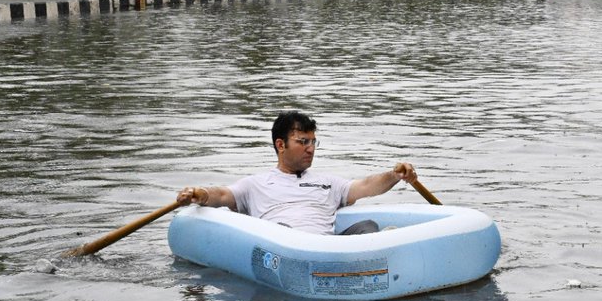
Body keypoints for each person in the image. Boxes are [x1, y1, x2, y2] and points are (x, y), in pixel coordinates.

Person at [176, 111, 419, 235]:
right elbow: (220, 195)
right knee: (280, 229)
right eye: (303, 142)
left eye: (313, 142)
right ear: (281, 145)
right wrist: (199, 193)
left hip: (327, 248)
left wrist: (394, 174)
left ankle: (382, 249)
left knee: (368, 225)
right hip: (284, 245)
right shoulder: (255, 184)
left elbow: (367, 186)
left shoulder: (328, 182)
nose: (311, 149)